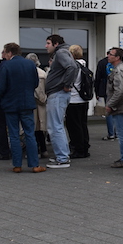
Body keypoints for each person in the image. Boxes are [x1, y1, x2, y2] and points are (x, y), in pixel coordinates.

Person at [0, 42, 44, 173]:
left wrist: (1, 99)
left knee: (14, 134)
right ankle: (34, 165)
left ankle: (17, 165)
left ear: (9, 52)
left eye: (5, 52)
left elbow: (0, 87)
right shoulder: (30, 64)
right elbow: (35, 83)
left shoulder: (6, 66)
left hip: (10, 104)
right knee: (29, 134)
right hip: (27, 103)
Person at [44, 34, 77, 168]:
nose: (45, 46)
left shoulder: (61, 52)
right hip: (58, 93)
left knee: (55, 127)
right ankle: (62, 155)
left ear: (56, 43)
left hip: (57, 94)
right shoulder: (64, 52)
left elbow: (72, 67)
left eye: (48, 43)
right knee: (57, 126)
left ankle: (62, 158)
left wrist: (67, 85)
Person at [66, 44, 91, 159]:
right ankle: (85, 147)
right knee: (83, 124)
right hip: (84, 100)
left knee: (74, 126)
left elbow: (69, 82)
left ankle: (78, 149)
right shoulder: (85, 66)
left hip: (73, 99)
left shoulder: (73, 66)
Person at [26, 53, 49, 158]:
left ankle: (38, 151)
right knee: (40, 128)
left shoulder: (34, 73)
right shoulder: (42, 73)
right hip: (41, 104)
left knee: (34, 127)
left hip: (35, 103)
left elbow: (38, 91)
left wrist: (41, 99)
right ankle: (43, 149)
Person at [95, 53, 117, 141]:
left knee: (108, 111)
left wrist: (96, 91)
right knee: (116, 111)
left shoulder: (102, 63)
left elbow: (97, 78)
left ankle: (111, 134)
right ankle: (117, 133)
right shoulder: (118, 63)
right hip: (117, 89)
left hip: (106, 89)